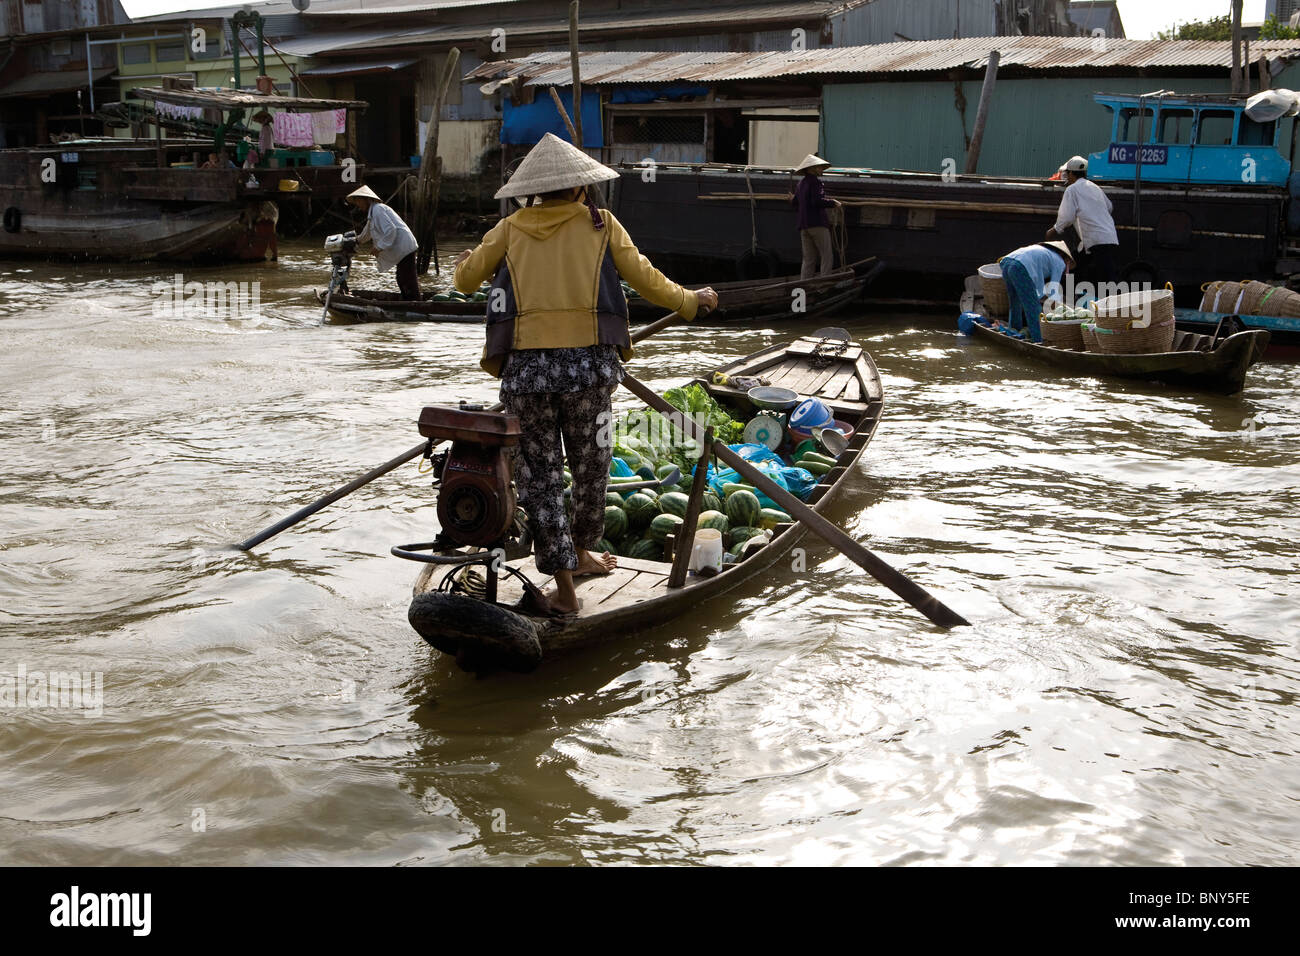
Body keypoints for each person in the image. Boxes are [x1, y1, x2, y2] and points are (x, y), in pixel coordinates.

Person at [453, 133, 718, 616]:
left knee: (541, 479)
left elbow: (466, 281)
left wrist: (460, 267)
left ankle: (568, 579)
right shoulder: (602, 224)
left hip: (527, 375)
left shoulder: (511, 228)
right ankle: (581, 559)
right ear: (579, 188)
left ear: (533, 190)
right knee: (592, 465)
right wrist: (690, 301)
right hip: (588, 372)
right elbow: (646, 278)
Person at [1045, 155, 1119, 292]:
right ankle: (1074, 294)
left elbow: (1066, 217)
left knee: (1107, 277)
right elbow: (1109, 207)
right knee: (1076, 264)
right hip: (1104, 237)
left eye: (1068, 174)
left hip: (1097, 239)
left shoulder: (1072, 190)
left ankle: (1115, 305)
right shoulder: (1095, 187)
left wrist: (1054, 230)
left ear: (1072, 174)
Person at [346, 185, 420, 300]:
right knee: (401, 278)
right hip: (403, 248)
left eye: (358, 201)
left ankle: (414, 303)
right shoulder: (373, 213)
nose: (358, 205)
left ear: (366, 199)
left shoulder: (378, 210)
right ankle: (410, 300)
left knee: (406, 278)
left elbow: (391, 230)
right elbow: (367, 232)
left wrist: (379, 247)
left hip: (405, 247)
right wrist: (357, 241)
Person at [997, 240, 1075, 343]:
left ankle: (1014, 331)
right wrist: (1063, 310)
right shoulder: (1059, 261)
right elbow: (1053, 290)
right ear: (1066, 259)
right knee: (1033, 308)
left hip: (1007, 263)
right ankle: (1038, 340)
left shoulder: (1046, 253)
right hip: (1020, 267)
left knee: (1015, 303)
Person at [789, 153, 841, 278]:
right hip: (817, 224)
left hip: (804, 226)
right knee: (826, 255)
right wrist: (833, 203)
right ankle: (823, 287)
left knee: (808, 259)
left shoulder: (801, 184)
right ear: (811, 168)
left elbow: (795, 202)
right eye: (819, 167)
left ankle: (803, 286)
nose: (821, 169)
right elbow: (817, 201)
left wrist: (791, 198)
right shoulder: (816, 183)